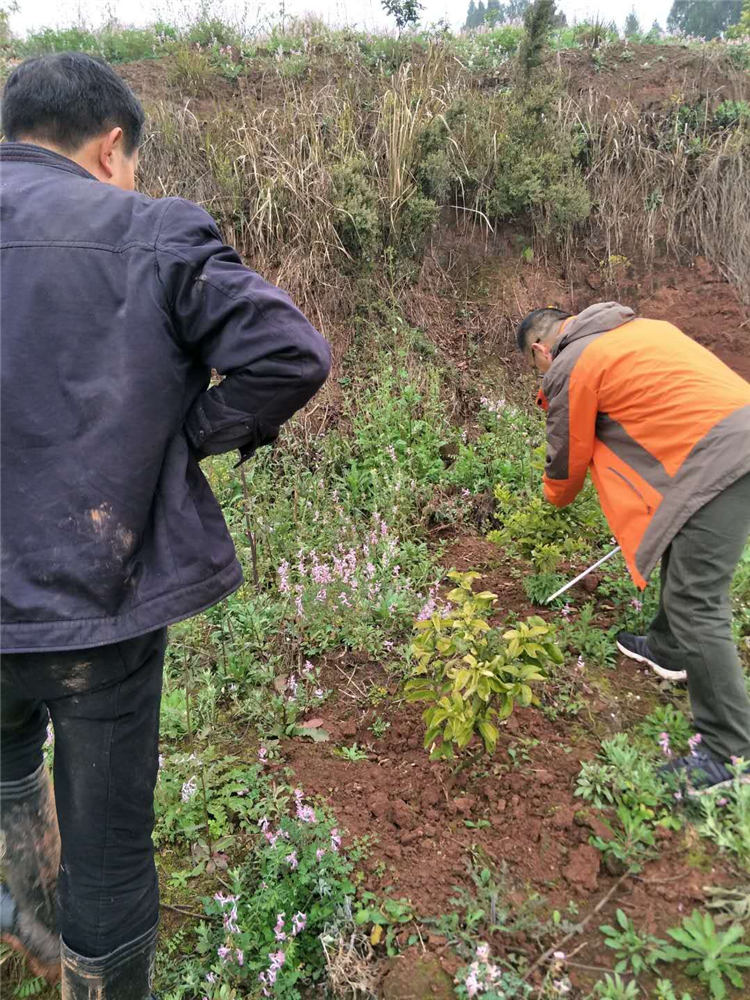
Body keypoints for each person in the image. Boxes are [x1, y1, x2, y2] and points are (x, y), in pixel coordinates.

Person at [0, 53, 330, 996]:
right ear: (112, 148)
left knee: (10, 756)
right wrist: (184, 435)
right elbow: (290, 354)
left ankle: (27, 919)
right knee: (110, 855)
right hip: (98, 613)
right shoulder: (150, 231)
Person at [516, 301, 750, 792]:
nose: (540, 371)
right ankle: (669, 649)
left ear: (541, 349)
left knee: (696, 600)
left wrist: (549, 500)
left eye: (533, 365)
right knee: (674, 538)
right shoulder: (636, 328)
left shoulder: (573, 363)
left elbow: (566, 461)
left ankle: (732, 755)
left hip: (718, 456)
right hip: (732, 431)